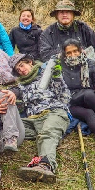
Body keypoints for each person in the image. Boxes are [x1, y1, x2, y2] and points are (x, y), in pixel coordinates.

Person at [9, 54, 70, 183]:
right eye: (18, 70)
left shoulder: (47, 73)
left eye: (22, 65)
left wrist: (57, 76)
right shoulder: (21, 86)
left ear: (30, 62)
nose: (22, 70)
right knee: (9, 125)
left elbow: (64, 96)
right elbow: (19, 108)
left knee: (47, 133)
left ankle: (46, 165)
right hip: (33, 120)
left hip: (53, 112)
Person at [39, 0, 95, 74]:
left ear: (73, 15)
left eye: (68, 12)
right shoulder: (48, 32)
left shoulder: (82, 28)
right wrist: (66, 54)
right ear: (56, 15)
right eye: (61, 12)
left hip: (83, 71)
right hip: (60, 72)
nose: (64, 15)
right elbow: (45, 54)